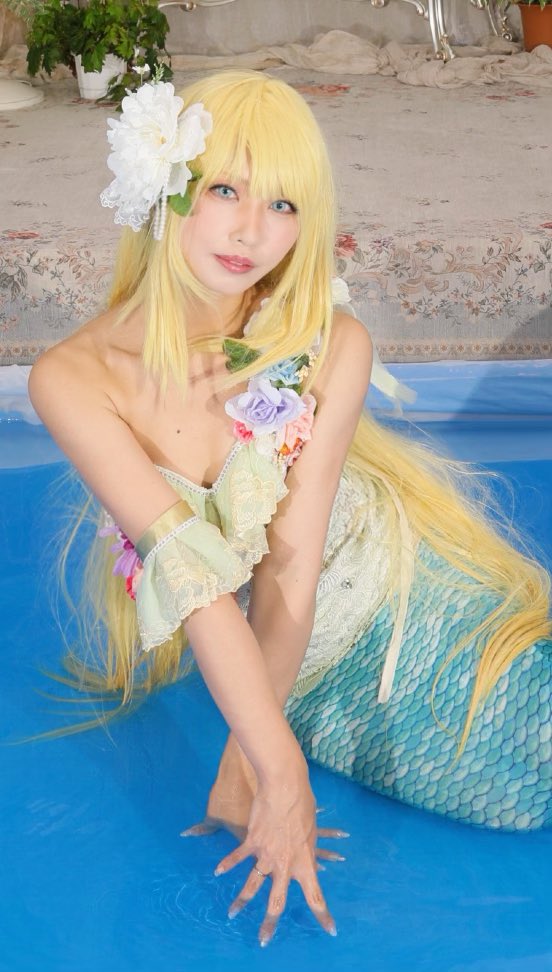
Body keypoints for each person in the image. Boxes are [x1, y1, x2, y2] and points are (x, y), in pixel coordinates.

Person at [28, 70, 551, 947]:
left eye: (283, 204)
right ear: (166, 187)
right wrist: (274, 763)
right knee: (516, 798)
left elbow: (292, 568)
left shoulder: (330, 341)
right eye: (224, 191)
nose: (251, 232)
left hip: (399, 598)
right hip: (293, 679)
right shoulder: (72, 379)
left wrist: (255, 764)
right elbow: (196, 583)